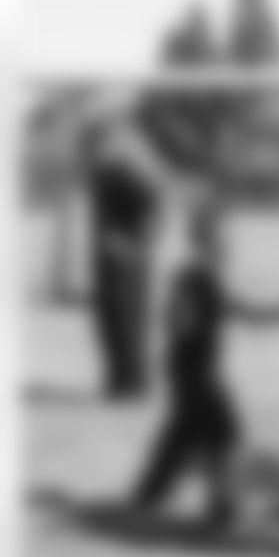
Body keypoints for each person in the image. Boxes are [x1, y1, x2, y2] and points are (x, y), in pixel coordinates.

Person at [129, 191, 243, 530]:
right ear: (205, 237)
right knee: (222, 428)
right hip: (192, 369)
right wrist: (184, 322)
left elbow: (224, 308)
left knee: (187, 433)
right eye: (223, 234)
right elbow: (179, 321)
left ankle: (153, 495)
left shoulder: (206, 274)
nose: (230, 243)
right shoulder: (193, 275)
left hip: (194, 367)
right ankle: (221, 505)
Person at [81, 98, 168, 400]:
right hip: (118, 256)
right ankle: (122, 381)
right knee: (116, 319)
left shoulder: (120, 162)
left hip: (123, 259)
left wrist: (132, 241)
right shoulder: (117, 161)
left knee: (125, 319)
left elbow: (151, 202)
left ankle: (130, 383)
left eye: (96, 131)